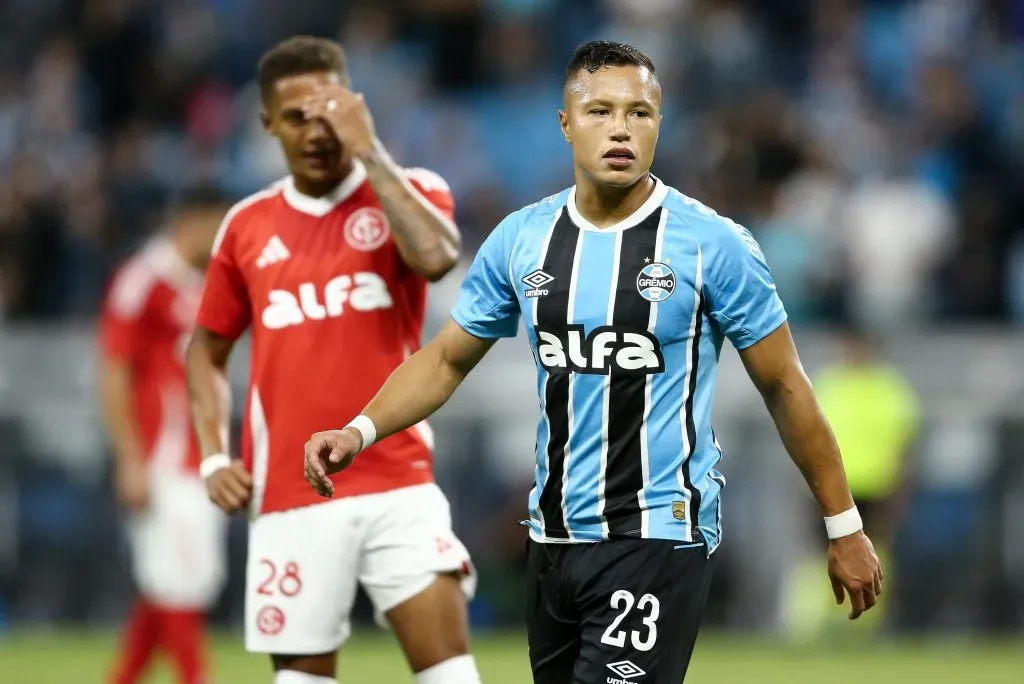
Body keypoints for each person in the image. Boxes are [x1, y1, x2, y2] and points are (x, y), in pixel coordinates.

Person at [304, 41, 884, 684]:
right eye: (600, 110)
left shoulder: (712, 245)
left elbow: (784, 384)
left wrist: (844, 525)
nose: (620, 129)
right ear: (565, 123)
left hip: (658, 533)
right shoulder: (524, 239)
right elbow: (444, 360)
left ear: (660, 124)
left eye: (640, 113)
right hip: (553, 537)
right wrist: (358, 430)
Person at [185, 36, 481, 684]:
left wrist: (370, 150)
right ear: (267, 124)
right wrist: (212, 454)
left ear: (353, 107)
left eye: (329, 112)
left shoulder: (409, 190)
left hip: (398, 480)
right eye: (296, 117)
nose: (316, 130)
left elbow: (436, 258)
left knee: (452, 676)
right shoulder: (246, 225)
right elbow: (206, 352)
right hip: (289, 494)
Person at [98, 187, 232, 684]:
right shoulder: (142, 279)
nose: (222, 238)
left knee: (174, 583)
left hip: (202, 456)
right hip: (163, 456)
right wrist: (130, 458)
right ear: (192, 222)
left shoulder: (203, 282)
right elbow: (114, 371)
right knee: (179, 584)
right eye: (217, 225)